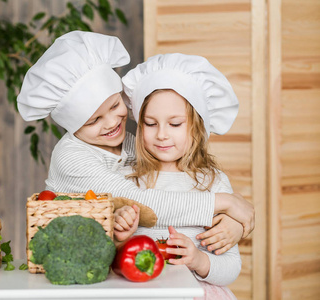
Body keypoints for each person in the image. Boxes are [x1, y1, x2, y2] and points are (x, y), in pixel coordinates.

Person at [17, 31, 254, 252]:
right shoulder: (71, 157)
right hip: (70, 255)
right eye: (93, 120)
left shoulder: (132, 143)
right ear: (72, 125)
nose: (111, 122)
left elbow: (178, 182)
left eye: (114, 105)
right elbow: (143, 205)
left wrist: (233, 222)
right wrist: (226, 203)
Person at [117, 53, 242, 299]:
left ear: (198, 126)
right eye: (151, 124)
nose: (162, 134)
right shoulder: (127, 177)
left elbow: (231, 266)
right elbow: (112, 256)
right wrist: (118, 236)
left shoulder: (213, 182)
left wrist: (198, 260)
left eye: (175, 124)